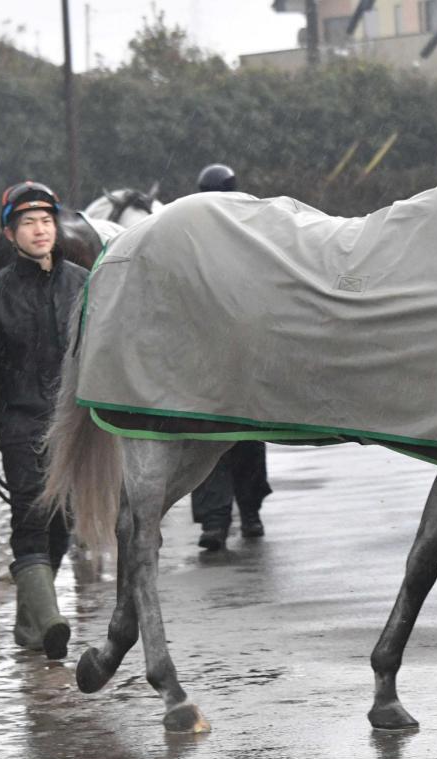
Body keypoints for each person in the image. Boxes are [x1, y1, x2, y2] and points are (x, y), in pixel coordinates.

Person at [0, 181, 89, 660]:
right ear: (11, 235)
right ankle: (51, 619)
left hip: (72, 426)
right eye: (29, 223)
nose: (40, 230)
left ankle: (30, 622)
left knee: (63, 523)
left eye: (47, 221)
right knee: (31, 517)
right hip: (18, 422)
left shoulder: (82, 283)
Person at [189, 163, 272, 551]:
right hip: (210, 351)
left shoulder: (247, 230)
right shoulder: (194, 234)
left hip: (238, 349)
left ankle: (245, 512)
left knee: (244, 439)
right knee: (214, 439)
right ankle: (218, 519)